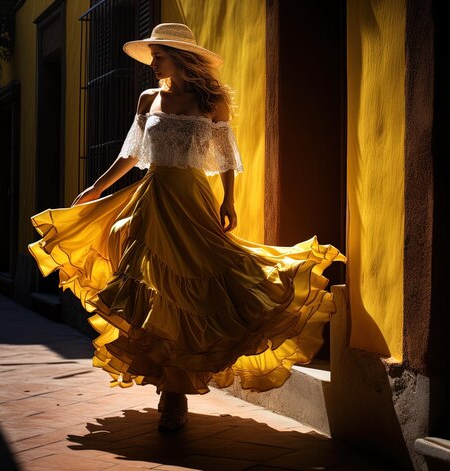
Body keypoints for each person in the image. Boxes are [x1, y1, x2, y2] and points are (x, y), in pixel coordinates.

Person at [28, 23, 346, 433]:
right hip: (154, 198)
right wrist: (96, 186)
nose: (153, 62)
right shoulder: (148, 99)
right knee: (156, 291)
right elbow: (131, 154)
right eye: (153, 56)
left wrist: (229, 200)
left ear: (180, 57)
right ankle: (172, 395)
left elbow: (227, 156)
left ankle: (176, 388)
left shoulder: (210, 101)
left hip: (193, 200)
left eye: (158, 55)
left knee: (206, 284)